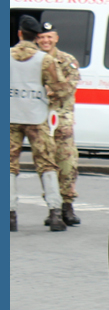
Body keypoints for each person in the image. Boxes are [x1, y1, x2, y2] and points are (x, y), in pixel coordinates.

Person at [10, 15, 69, 232]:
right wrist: (50, 100)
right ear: (36, 37)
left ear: (19, 34)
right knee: (46, 164)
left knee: (8, 166)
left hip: (10, 117)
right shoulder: (45, 60)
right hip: (36, 118)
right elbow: (62, 89)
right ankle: (55, 213)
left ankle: (10, 214)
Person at [34, 22, 81, 225]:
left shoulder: (67, 60)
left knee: (67, 163)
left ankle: (67, 206)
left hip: (62, 120)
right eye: (42, 37)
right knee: (45, 165)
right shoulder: (33, 60)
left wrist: (47, 89)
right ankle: (53, 206)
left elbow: (67, 88)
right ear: (36, 39)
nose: (45, 41)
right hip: (39, 121)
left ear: (56, 38)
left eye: (49, 37)